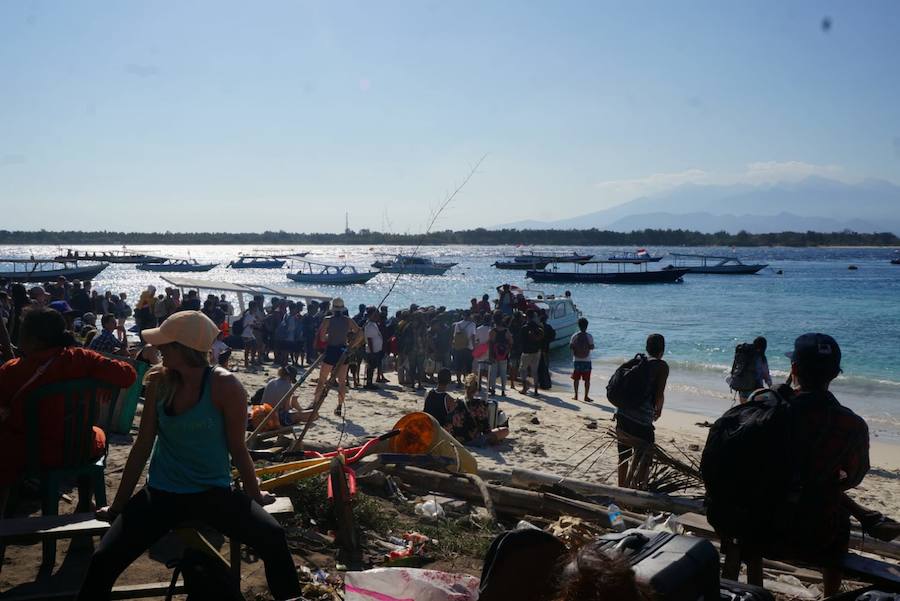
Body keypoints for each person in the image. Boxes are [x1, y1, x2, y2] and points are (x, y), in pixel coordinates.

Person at [75, 311, 302, 601]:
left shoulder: (225, 385)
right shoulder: (159, 381)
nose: (158, 349)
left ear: (183, 349)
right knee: (103, 561)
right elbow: (142, 445)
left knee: (273, 538)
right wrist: (118, 506)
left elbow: (237, 447)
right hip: (161, 494)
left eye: (165, 345)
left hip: (213, 493)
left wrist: (255, 494)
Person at [736, 334, 895, 596]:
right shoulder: (851, 425)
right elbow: (854, 478)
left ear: (794, 369)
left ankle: (754, 589)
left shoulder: (764, 408)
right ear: (835, 374)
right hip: (815, 536)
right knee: (838, 515)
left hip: (756, 526)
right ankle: (830, 592)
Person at [0, 307, 136, 514]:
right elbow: (128, 375)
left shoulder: (12, 371)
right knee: (95, 433)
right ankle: (84, 502)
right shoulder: (83, 359)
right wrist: (99, 380)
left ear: (34, 340)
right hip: (78, 449)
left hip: (28, 453)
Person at [616, 333, 669, 489]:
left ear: (647, 348)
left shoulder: (637, 363)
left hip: (622, 415)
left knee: (623, 457)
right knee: (644, 458)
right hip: (641, 422)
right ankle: (638, 490)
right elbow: (659, 395)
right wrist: (658, 411)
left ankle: (621, 490)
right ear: (663, 349)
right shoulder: (662, 366)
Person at [423, 370, 508, 447]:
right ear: (476, 389)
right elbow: (485, 428)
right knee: (504, 431)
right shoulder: (479, 404)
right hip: (470, 439)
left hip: (454, 437)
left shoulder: (456, 401)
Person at [313, 298, 362, 416]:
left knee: (322, 380)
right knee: (342, 382)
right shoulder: (348, 320)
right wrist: (351, 346)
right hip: (342, 351)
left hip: (331, 350)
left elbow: (322, 338)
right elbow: (360, 333)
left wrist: (329, 336)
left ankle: (315, 404)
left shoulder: (327, 320)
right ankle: (339, 405)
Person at [519, 310, 544, 396]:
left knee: (523, 370)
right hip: (536, 351)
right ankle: (536, 390)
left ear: (527, 317)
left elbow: (521, 340)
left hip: (526, 352)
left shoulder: (524, 327)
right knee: (534, 371)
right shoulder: (538, 326)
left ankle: (524, 388)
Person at [570, 318, 595, 402]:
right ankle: (586, 396)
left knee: (576, 379)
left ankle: (576, 395)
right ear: (587, 326)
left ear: (578, 326)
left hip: (577, 360)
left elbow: (571, 346)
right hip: (587, 360)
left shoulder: (574, 336)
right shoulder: (589, 336)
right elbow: (592, 347)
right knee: (587, 380)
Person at [488, 311, 512, 396]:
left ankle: (493, 390)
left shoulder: (492, 331)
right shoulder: (506, 331)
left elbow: (490, 344)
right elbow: (511, 342)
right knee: (503, 373)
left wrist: (490, 355)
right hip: (504, 354)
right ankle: (503, 391)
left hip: (494, 354)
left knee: (493, 373)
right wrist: (507, 351)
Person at [451, 311, 476, 386]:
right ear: (470, 316)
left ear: (463, 316)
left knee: (458, 365)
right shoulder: (472, 324)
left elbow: (455, 336)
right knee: (468, 365)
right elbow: (473, 336)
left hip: (459, 347)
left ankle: (459, 381)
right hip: (468, 347)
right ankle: (467, 381)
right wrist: (474, 347)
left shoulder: (458, 324)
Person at [363, 306, 383, 390]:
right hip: (372, 350)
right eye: (376, 314)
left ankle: (370, 382)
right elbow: (370, 340)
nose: (377, 316)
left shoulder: (374, 324)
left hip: (375, 349)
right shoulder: (369, 325)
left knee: (372, 366)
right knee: (370, 367)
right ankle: (369, 383)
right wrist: (372, 352)